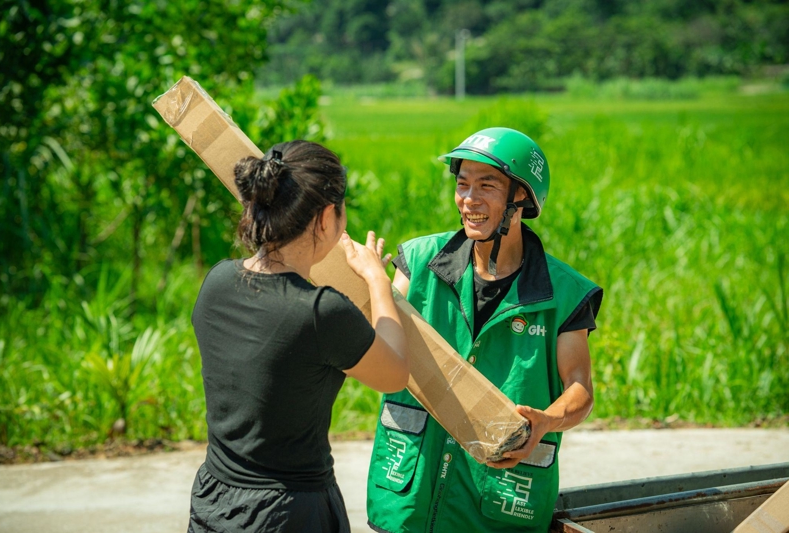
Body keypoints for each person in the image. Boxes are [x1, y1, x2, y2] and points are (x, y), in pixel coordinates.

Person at [366, 127, 603, 533]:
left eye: (486, 186)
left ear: (522, 198)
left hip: (497, 506)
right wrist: (370, 286)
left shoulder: (564, 294)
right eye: (462, 185)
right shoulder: (419, 262)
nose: (469, 200)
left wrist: (545, 420)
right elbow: (378, 342)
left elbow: (579, 388)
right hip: (409, 494)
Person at [189, 140, 409, 533]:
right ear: (326, 218)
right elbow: (394, 374)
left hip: (214, 499)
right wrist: (377, 280)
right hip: (289, 512)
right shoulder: (320, 312)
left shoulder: (217, 281)